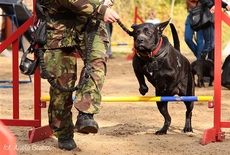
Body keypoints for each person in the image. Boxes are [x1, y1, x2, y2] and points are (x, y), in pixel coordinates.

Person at [38, 0, 120, 151]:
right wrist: (101, 9)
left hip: (90, 22)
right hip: (59, 25)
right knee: (62, 82)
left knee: (98, 62)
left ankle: (85, 114)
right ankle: (64, 133)